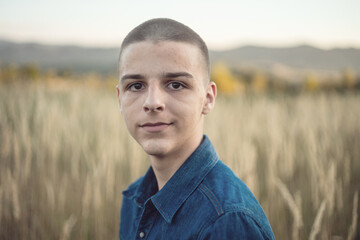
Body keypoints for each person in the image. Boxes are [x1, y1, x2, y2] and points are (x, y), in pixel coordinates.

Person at [116, 18, 275, 240]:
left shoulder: (227, 220)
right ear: (120, 99)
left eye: (175, 84)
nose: (152, 102)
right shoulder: (134, 199)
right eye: (136, 86)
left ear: (207, 99)